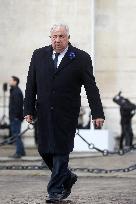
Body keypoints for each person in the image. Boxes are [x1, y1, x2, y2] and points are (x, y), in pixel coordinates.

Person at [24, 24, 105, 203]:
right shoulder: (38, 55)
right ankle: (67, 177)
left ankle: (55, 191)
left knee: (61, 150)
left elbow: (91, 88)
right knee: (44, 150)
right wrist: (28, 109)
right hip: (43, 113)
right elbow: (31, 84)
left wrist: (97, 113)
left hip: (67, 113)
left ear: (68, 37)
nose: (57, 40)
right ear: (50, 37)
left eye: (61, 36)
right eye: (54, 36)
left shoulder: (81, 58)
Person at [9, 76, 26, 158]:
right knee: (17, 134)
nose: (10, 82)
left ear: (15, 81)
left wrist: (15, 116)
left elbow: (18, 106)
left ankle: (18, 152)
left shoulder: (16, 92)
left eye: (11, 80)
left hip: (15, 117)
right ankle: (21, 151)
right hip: (15, 117)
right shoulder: (14, 91)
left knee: (16, 135)